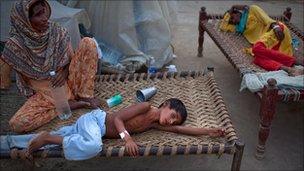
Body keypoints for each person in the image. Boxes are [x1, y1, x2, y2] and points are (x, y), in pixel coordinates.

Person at [0, 98, 226, 160]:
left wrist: (208, 132)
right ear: (165, 105)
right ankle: (47, 138)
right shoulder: (147, 107)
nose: (171, 121)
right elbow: (117, 118)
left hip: (89, 129)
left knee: (79, 139)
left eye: (174, 121)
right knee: (94, 147)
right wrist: (126, 138)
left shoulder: (155, 123)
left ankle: (8, 142)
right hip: (95, 121)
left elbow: (180, 132)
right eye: (173, 115)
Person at [0, 0, 101, 133]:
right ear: (24, 21)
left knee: (88, 42)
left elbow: (71, 61)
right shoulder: (15, 46)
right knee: (17, 124)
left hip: (69, 84)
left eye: (44, 12)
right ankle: (66, 106)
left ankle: (84, 95)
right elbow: (4, 82)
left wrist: (64, 73)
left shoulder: (55, 31)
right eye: (38, 15)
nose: (44, 18)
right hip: (44, 96)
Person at [219, 5, 303, 76]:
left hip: (276, 32)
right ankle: (288, 69)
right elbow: (223, 26)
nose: (233, 21)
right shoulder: (239, 28)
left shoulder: (253, 10)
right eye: (231, 22)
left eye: (232, 18)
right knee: (257, 59)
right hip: (269, 46)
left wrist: (233, 6)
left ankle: (296, 62)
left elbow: (267, 20)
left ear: (236, 12)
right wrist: (229, 14)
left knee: (256, 48)